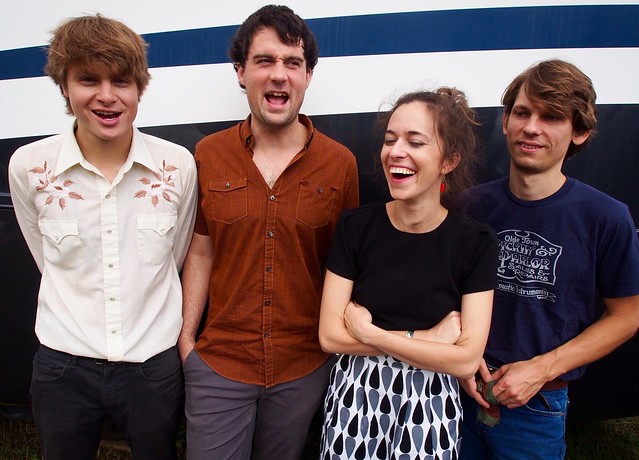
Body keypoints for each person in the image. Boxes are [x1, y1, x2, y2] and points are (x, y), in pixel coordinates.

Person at [8, 14, 198, 460]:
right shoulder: (29, 167)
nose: (107, 96)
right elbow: (44, 256)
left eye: (122, 81)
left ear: (140, 89)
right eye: (88, 79)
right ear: (64, 86)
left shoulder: (177, 166)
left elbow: (174, 258)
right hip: (62, 365)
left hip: (152, 365)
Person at [177, 5, 359, 459]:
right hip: (219, 361)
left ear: (308, 76)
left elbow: (346, 265)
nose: (279, 74)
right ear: (241, 72)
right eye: (264, 60)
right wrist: (186, 340)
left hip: (303, 366)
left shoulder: (340, 164)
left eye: (292, 62)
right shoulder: (208, 154)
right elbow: (201, 250)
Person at [458, 59, 639, 459]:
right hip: (459, 392)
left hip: (537, 406)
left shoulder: (606, 217)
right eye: (522, 112)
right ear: (505, 121)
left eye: (552, 117)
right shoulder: (470, 206)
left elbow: (628, 315)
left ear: (580, 131)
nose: (532, 127)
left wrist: (543, 368)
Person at [318, 88, 499, 459]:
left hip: (429, 402)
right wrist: (427, 339)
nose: (395, 152)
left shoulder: (475, 242)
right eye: (390, 140)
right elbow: (330, 336)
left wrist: (369, 332)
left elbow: (466, 360)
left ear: (449, 161)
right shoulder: (356, 227)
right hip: (356, 394)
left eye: (415, 142)